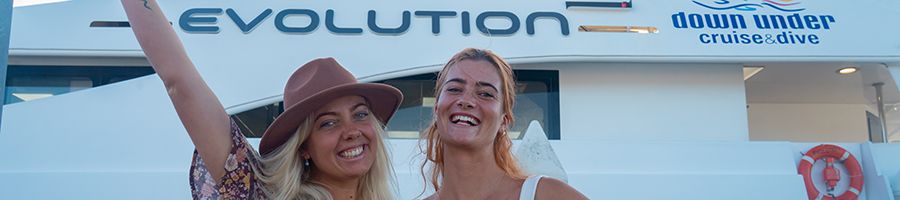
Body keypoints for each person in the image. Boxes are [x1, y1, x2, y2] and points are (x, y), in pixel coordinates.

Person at [121, 1, 402, 199]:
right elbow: (180, 82)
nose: (352, 131)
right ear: (303, 147)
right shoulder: (258, 193)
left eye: (361, 114)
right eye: (328, 123)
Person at [420, 48, 587, 200]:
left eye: (485, 94)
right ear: (436, 108)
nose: (466, 101)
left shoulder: (548, 195)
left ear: (504, 120)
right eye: (454, 89)